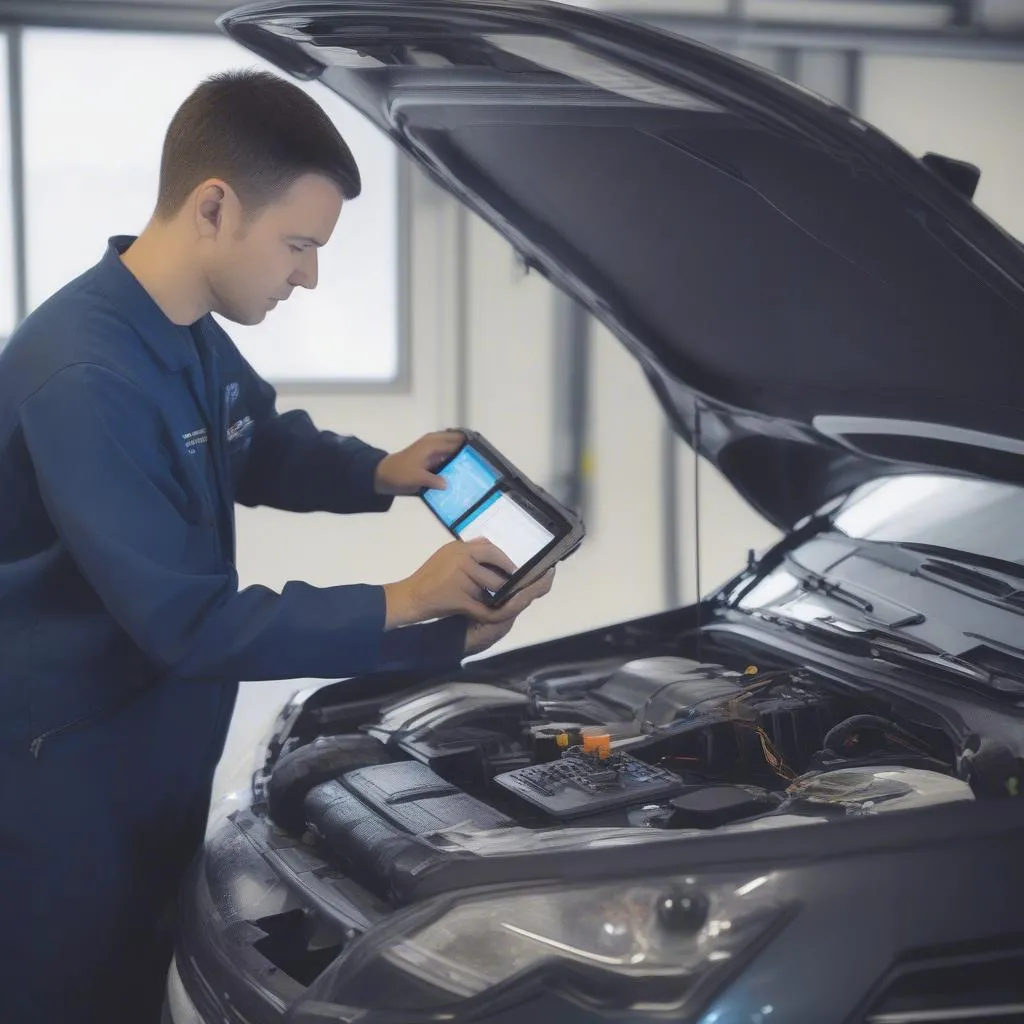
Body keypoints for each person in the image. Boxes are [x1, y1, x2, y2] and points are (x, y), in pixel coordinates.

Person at [0, 69, 554, 1024]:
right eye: (298, 243)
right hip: (68, 787)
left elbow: (257, 440)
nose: (308, 274)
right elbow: (192, 622)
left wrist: (384, 471)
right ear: (214, 206)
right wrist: (406, 602)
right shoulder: (83, 375)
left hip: (153, 751)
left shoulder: (183, 332)